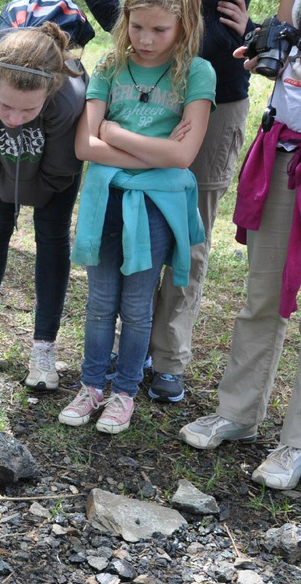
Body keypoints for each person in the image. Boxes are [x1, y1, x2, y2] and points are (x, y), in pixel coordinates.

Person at [59, 0, 214, 433]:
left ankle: (124, 392)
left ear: (184, 25)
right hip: (106, 199)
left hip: (156, 206)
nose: (145, 40)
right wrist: (155, 152)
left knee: (137, 304)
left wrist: (112, 131)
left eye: (159, 30)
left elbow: (183, 155)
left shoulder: (197, 72)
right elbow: (83, 146)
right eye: (137, 26)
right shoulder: (111, 65)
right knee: (101, 302)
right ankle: (91, 385)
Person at [86, 0, 253, 403]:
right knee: (132, 229)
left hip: (215, 99)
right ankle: (129, 350)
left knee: (188, 240)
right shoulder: (118, 59)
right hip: (137, 97)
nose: (146, 36)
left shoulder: (202, 70)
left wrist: (252, 30)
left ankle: (168, 358)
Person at [179, 0, 301, 488]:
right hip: (284, 148)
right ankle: (238, 413)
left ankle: (296, 443)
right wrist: (267, 43)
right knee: (263, 295)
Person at [0, 21, 87, 391]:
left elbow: (60, 169)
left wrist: (27, 192)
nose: (12, 118)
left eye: (28, 111)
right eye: (5, 105)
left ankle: (44, 346)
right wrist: (7, 188)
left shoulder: (69, 97)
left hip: (52, 177)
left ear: (51, 91)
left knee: (52, 236)